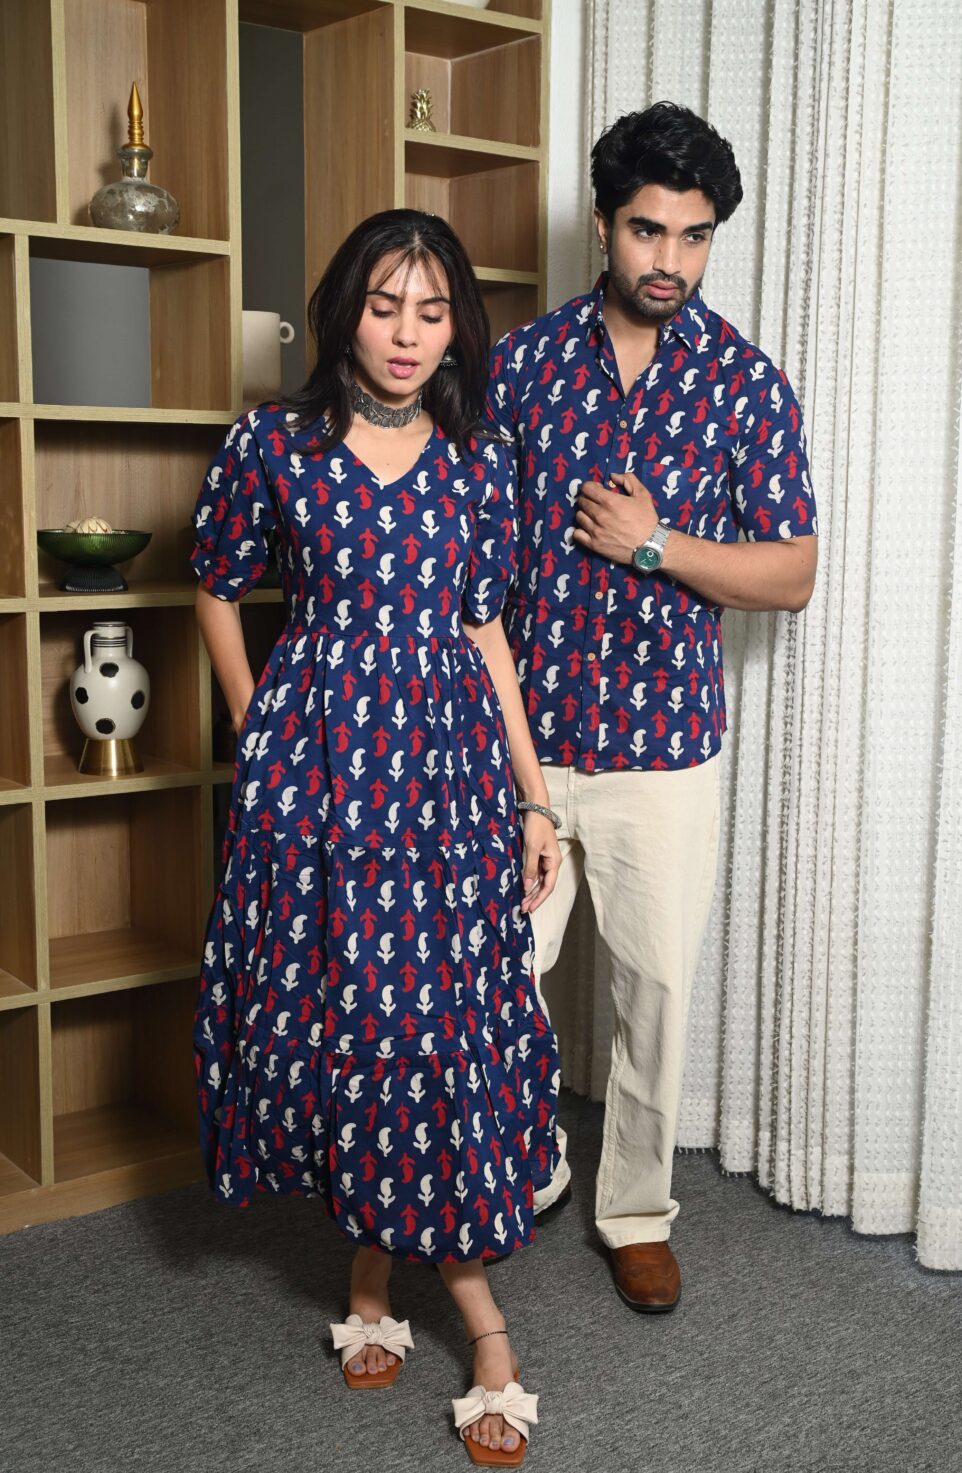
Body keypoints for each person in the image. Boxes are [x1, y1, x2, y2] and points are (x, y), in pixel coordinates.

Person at [191, 209, 565, 1463]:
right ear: (343, 313)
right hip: (322, 775)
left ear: (458, 326)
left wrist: (532, 799)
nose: (406, 335)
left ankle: (441, 1302)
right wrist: (258, 733)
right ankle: (388, 1286)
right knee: (353, 1014)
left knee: (436, 1024)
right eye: (382, 306)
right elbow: (217, 585)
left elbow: (485, 632)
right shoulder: (272, 445)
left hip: (447, 781)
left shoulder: (483, 461)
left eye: (432, 311)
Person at [487, 101, 818, 1312]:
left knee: (655, 999)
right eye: (646, 229)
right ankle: (522, 1165)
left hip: (660, 750)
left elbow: (790, 572)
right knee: (492, 973)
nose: (667, 258)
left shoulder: (743, 385)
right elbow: (471, 555)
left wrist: (654, 544)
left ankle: (633, 1212)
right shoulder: (518, 368)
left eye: (692, 235)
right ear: (601, 223)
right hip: (521, 746)